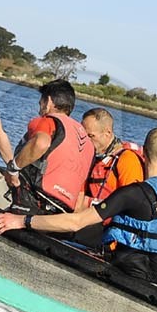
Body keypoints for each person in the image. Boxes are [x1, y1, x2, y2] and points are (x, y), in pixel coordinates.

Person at [0, 127, 157, 285]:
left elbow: (76, 222)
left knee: (59, 232)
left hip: (133, 273)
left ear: (144, 154)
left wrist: (22, 221)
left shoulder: (134, 194)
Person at [5, 79, 93, 212]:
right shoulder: (87, 142)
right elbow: (81, 190)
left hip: (37, 198)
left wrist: (13, 168)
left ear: (49, 101)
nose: (39, 106)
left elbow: (41, 143)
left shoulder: (47, 121)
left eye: (41, 101)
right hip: (63, 209)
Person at [80, 108, 145, 205]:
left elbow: (131, 204)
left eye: (90, 136)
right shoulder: (92, 154)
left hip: (105, 213)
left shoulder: (128, 160)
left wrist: (88, 204)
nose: (85, 140)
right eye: (83, 135)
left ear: (107, 133)